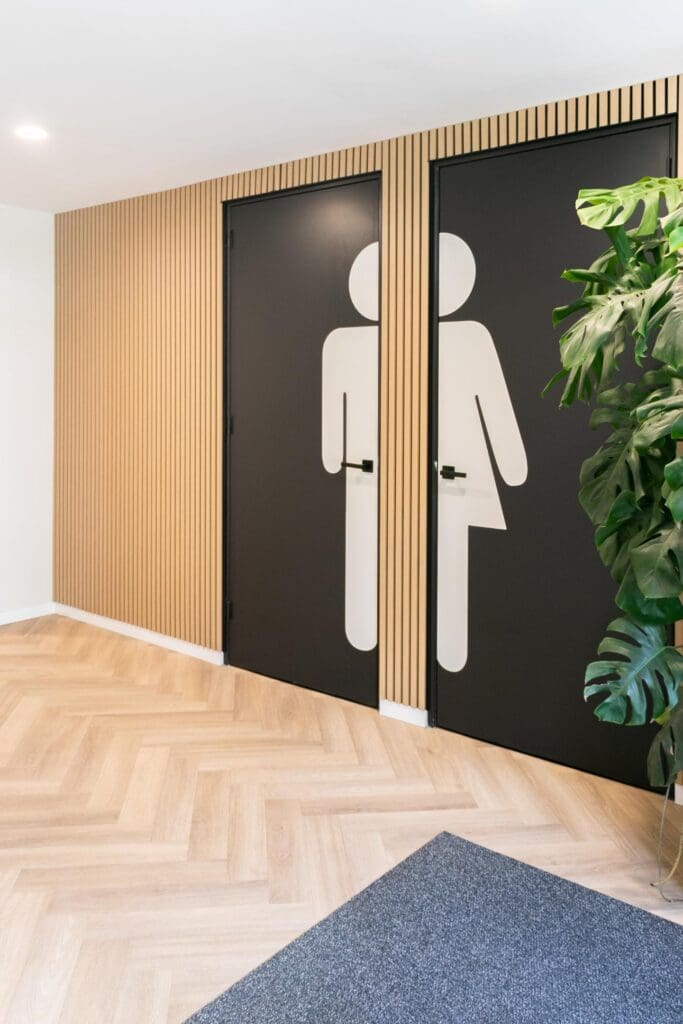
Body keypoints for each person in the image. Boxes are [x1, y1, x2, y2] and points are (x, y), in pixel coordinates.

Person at [437, 233, 527, 672]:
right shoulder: (472, 336)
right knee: (450, 562)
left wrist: (513, 469)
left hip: (462, 475)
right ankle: (445, 657)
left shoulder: (474, 336)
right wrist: (512, 469)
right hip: (452, 474)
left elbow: (495, 406)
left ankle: (449, 659)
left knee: (456, 563)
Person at [321, 242, 379, 651]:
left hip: (366, 469)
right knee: (358, 547)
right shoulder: (339, 342)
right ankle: (361, 635)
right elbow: (333, 407)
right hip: (356, 470)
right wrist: (332, 457)